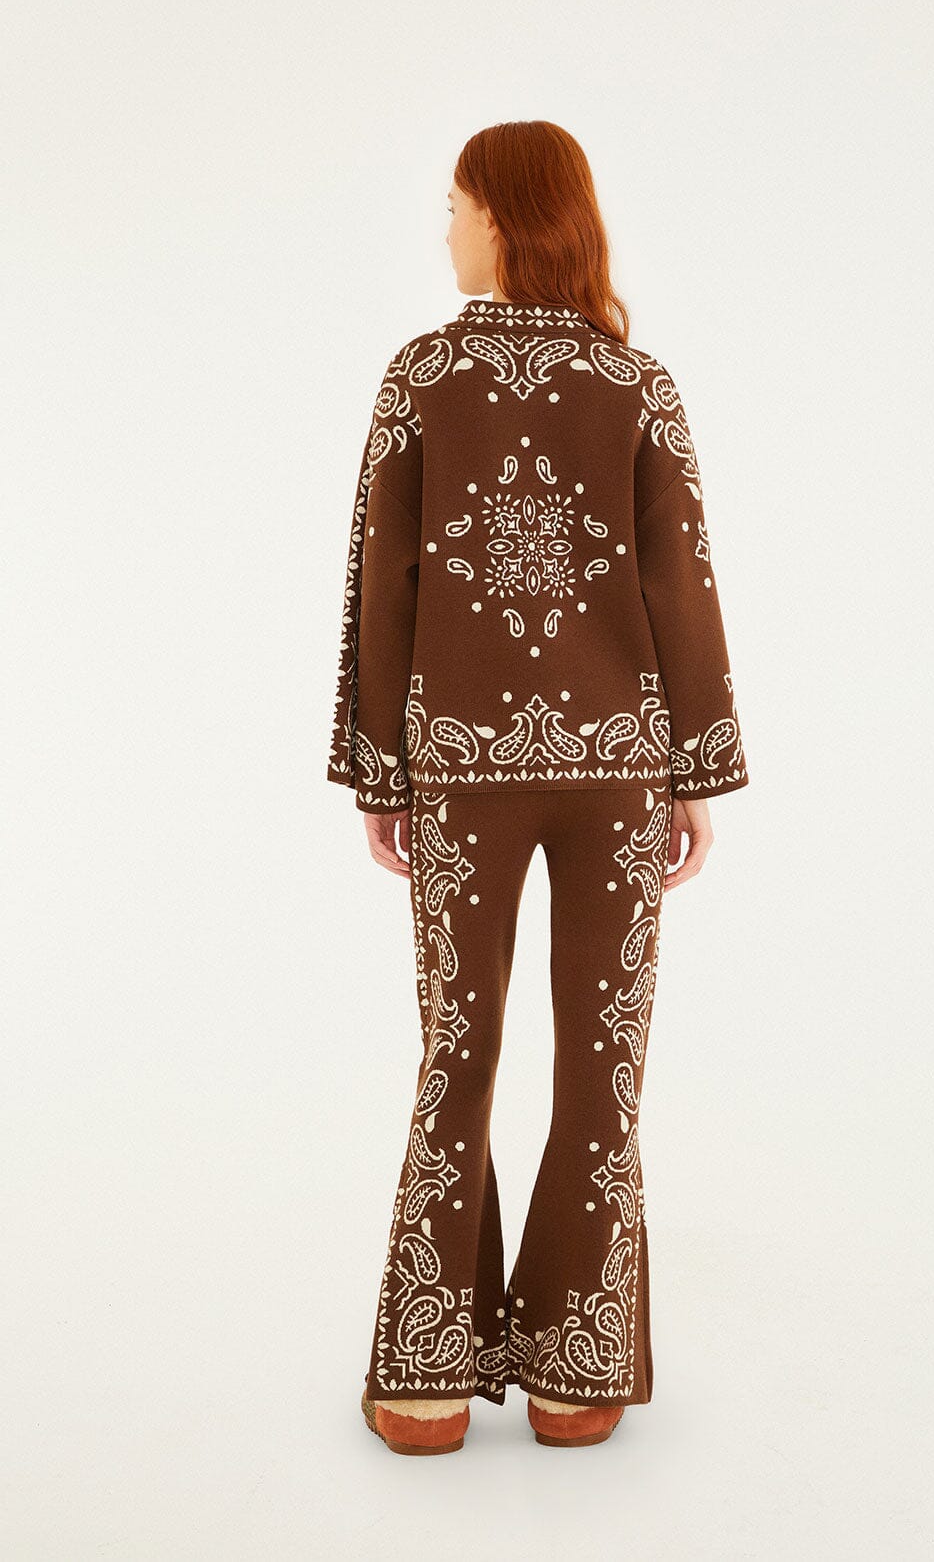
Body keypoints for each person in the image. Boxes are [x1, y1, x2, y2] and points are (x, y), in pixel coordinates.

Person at [327, 121, 749, 1454]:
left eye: (456, 207)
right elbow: (680, 581)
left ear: (504, 220)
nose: (446, 230)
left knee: (457, 1053)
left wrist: (381, 770)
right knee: (603, 1061)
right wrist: (692, 770)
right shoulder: (638, 384)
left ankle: (427, 1383)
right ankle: (577, 1377)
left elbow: (384, 582)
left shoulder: (420, 377)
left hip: (460, 767)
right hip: (618, 768)